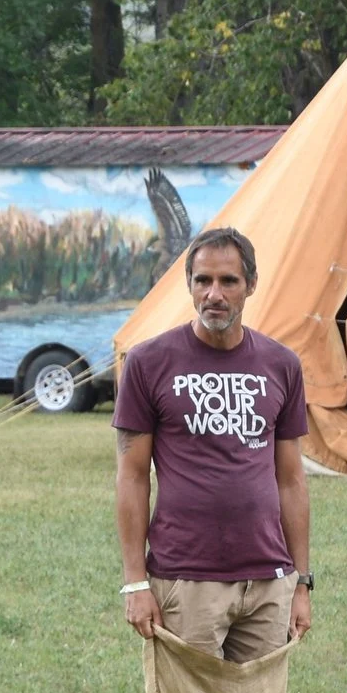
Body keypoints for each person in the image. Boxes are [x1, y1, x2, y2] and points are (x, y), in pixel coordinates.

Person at [115, 227, 312, 658]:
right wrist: (135, 582)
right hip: (185, 580)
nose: (214, 294)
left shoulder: (282, 365)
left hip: (268, 581)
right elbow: (132, 476)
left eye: (228, 281)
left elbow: (292, 480)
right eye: (202, 280)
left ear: (251, 285)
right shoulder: (148, 362)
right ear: (188, 285)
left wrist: (301, 581)